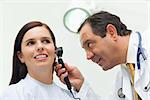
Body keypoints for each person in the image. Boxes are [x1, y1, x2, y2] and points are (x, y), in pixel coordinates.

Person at [56, 11, 150, 100]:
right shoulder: (123, 77)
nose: (88, 56)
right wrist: (80, 85)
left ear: (111, 32)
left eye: (90, 44)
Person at [0, 21, 96, 100]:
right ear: (21, 56)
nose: (40, 46)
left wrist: (81, 85)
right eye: (31, 43)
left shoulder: (70, 96)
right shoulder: (13, 94)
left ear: (55, 51)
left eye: (46, 41)